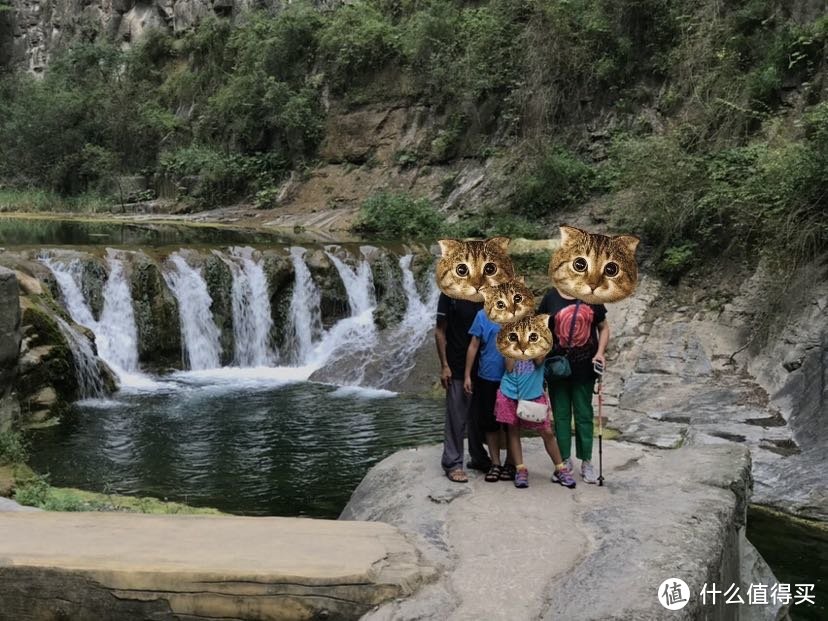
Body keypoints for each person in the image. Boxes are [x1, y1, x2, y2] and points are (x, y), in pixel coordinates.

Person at [538, 287, 609, 484]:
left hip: (585, 368)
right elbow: (540, 329)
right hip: (556, 367)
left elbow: (603, 327)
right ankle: (563, 461)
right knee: (560, 415)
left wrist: (600, 352)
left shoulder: (590, 295)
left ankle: (586, 461)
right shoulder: (550, 297)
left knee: (583, 414)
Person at [494, 355, 576, 489]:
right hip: (509, 391)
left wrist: (525, 345)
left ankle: (560, 468)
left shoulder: (539, 337)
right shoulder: (510, 338)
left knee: (546, 431)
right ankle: (520, 469)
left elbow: (539, 361)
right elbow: (509, 367)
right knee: (513, 430)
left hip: (533, 393)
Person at [436, 292, 491, 483]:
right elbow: (440, 331)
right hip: (457, 363)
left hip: (484, 366)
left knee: (478, 416)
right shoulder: (449, 294)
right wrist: (444, 365)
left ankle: (478, 457)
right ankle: (452, 462)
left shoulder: (487, 291)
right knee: (456, 416)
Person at [463, 308, 515, 482]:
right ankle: (495, 463)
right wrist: (467, 375)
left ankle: (511, 462)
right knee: (489, 422)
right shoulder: (482, 315)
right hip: (487, 377)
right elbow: (474, 344)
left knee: (510, 422)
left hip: (512, 378)